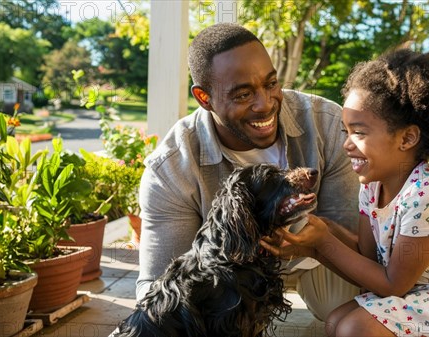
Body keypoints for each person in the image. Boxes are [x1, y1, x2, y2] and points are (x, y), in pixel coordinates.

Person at [261, 48, 429, 337]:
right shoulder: (372, 186)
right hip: (423, 288)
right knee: (335, 321)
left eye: (359, 133)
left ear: (407, 138)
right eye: (345, 132)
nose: (347, 145)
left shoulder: (428, 194)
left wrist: (323, 242)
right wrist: (311, 244)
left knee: (354, 329)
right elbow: (368, 257)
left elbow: (392, 284)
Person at [136, 23, 360, 321]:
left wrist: (313, 242)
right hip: (229, 278)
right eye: (242, 95)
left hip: (318, 259)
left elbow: (353, 237)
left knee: (347, 305)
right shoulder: (171, 168)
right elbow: (158, 283)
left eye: (270, 84)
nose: (265, 105)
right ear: (205, 98)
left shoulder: (328, 125)